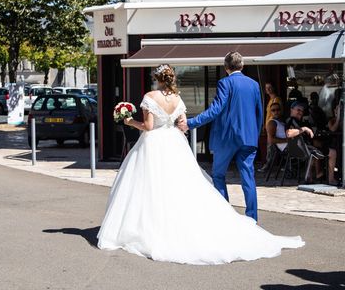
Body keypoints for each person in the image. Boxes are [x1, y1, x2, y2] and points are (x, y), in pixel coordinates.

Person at [97, 63, 304, 265]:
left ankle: (157, 225)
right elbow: (256, 112)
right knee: (203, 182)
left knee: (158, 185)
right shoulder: (180, 98)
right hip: (183, 143)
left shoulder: (150, 97)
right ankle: (249, 217)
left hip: (157, 144)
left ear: (156, 79)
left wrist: (129, 122)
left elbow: (150, 127)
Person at [177, 51, 261, 221]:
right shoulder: (254, 84)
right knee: (248, 177)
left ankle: (226, 217)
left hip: (227, 138)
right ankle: (252, 217)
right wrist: (255, 135)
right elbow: (258, 112)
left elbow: (215, 110)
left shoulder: (225, 83)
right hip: (249, 138)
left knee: (218, 175)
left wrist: (191, 123)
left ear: (226, 67)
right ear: (242, 65)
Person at [285, 101, 325, 183]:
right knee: (326, 152)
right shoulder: (291, 120)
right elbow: (288, 133)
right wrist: (304, 129)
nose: (300, 112)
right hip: (298, 149)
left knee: (319, 146)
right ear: (291, 110)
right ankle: (317, 175)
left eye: (302, 111)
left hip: (303, 147)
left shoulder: (300, 121)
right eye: (298, 110)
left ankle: (316, 174)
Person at [257, 102, 287, 173]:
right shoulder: (272, 123)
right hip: (285, 147)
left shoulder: (283, 121)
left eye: (278, 109)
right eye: (273, 110)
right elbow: (271, 140)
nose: (276, 112)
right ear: (271, 112)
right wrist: (287, 140)